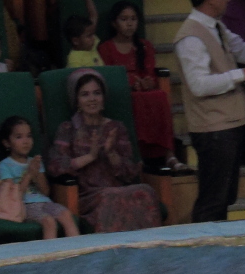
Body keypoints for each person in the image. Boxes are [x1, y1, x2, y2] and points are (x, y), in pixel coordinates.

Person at [174, 0, 245, 222]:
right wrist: (241, 75)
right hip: (212, 127)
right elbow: (198, 85)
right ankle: (203, 254)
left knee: (224, 197)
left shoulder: (216, 27)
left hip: (228, 122)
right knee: (213, 199)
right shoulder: (191, 37)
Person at [47, 69, 164, 233]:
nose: (92, 99)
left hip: (118, 190)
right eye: (85, 94)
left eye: (96, 93)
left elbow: (130, 172)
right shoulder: (68, 128)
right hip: (87, 196)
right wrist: (90, 157)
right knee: (110, 197)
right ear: (77, 100)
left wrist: (111, 154)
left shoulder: (116, 127)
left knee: (145, 191)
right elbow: (55, 166)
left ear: (103, 98)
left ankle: (150, 251)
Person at [99, 0, 184, 171]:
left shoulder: (145, 46)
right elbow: (108, 75)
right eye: (124, 19)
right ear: (114, 23)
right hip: (122, 92)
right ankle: (138, 155)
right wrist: (131, 84)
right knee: (138, 100)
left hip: (145, 91)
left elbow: (150, 73)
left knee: (160, 96)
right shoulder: (105, 48)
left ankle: (169, 155)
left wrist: (147, 82)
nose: (129, 24)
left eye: (133, 19)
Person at [0, 116, 79, 239]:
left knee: (66, 214)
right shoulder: (5, 165)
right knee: (48, 221)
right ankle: (51, 258)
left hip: (44, 202)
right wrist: (29, 174)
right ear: (7, 143)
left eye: (29, 136)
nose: (26, 141)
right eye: (19, 137)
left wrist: (37, 173)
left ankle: (77, 253)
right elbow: (13, 196)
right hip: (24, 205)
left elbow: (45, 191)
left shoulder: (34, 162)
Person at [64, 0, 102, 68]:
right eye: (89, 36)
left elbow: (94, 16)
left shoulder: (91, 47)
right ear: (76, 41)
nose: (93, 38)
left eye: (92, 34)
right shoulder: (74, 59)